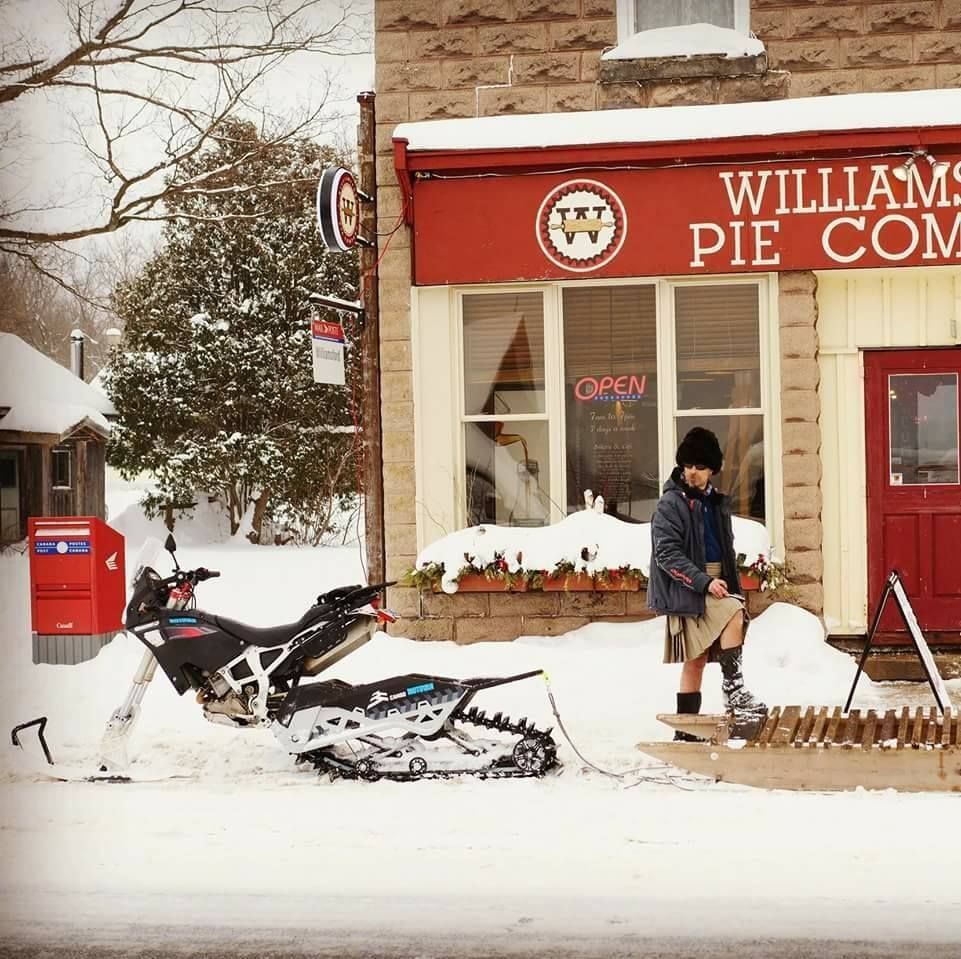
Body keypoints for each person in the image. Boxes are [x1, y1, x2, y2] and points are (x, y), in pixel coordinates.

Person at [647, 427, 766, 739]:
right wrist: (703, 582)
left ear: (712, 469)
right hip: (689, 589)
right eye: (688, 466)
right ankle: (734, 689)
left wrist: (727, 582)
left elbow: (723, 549)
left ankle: (685, 731)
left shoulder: (716, 503)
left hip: (715, 583)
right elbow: (667, 554)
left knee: (696, 659)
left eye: (700, 467)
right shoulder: (671, 504)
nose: (692, 473)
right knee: (732, 612)